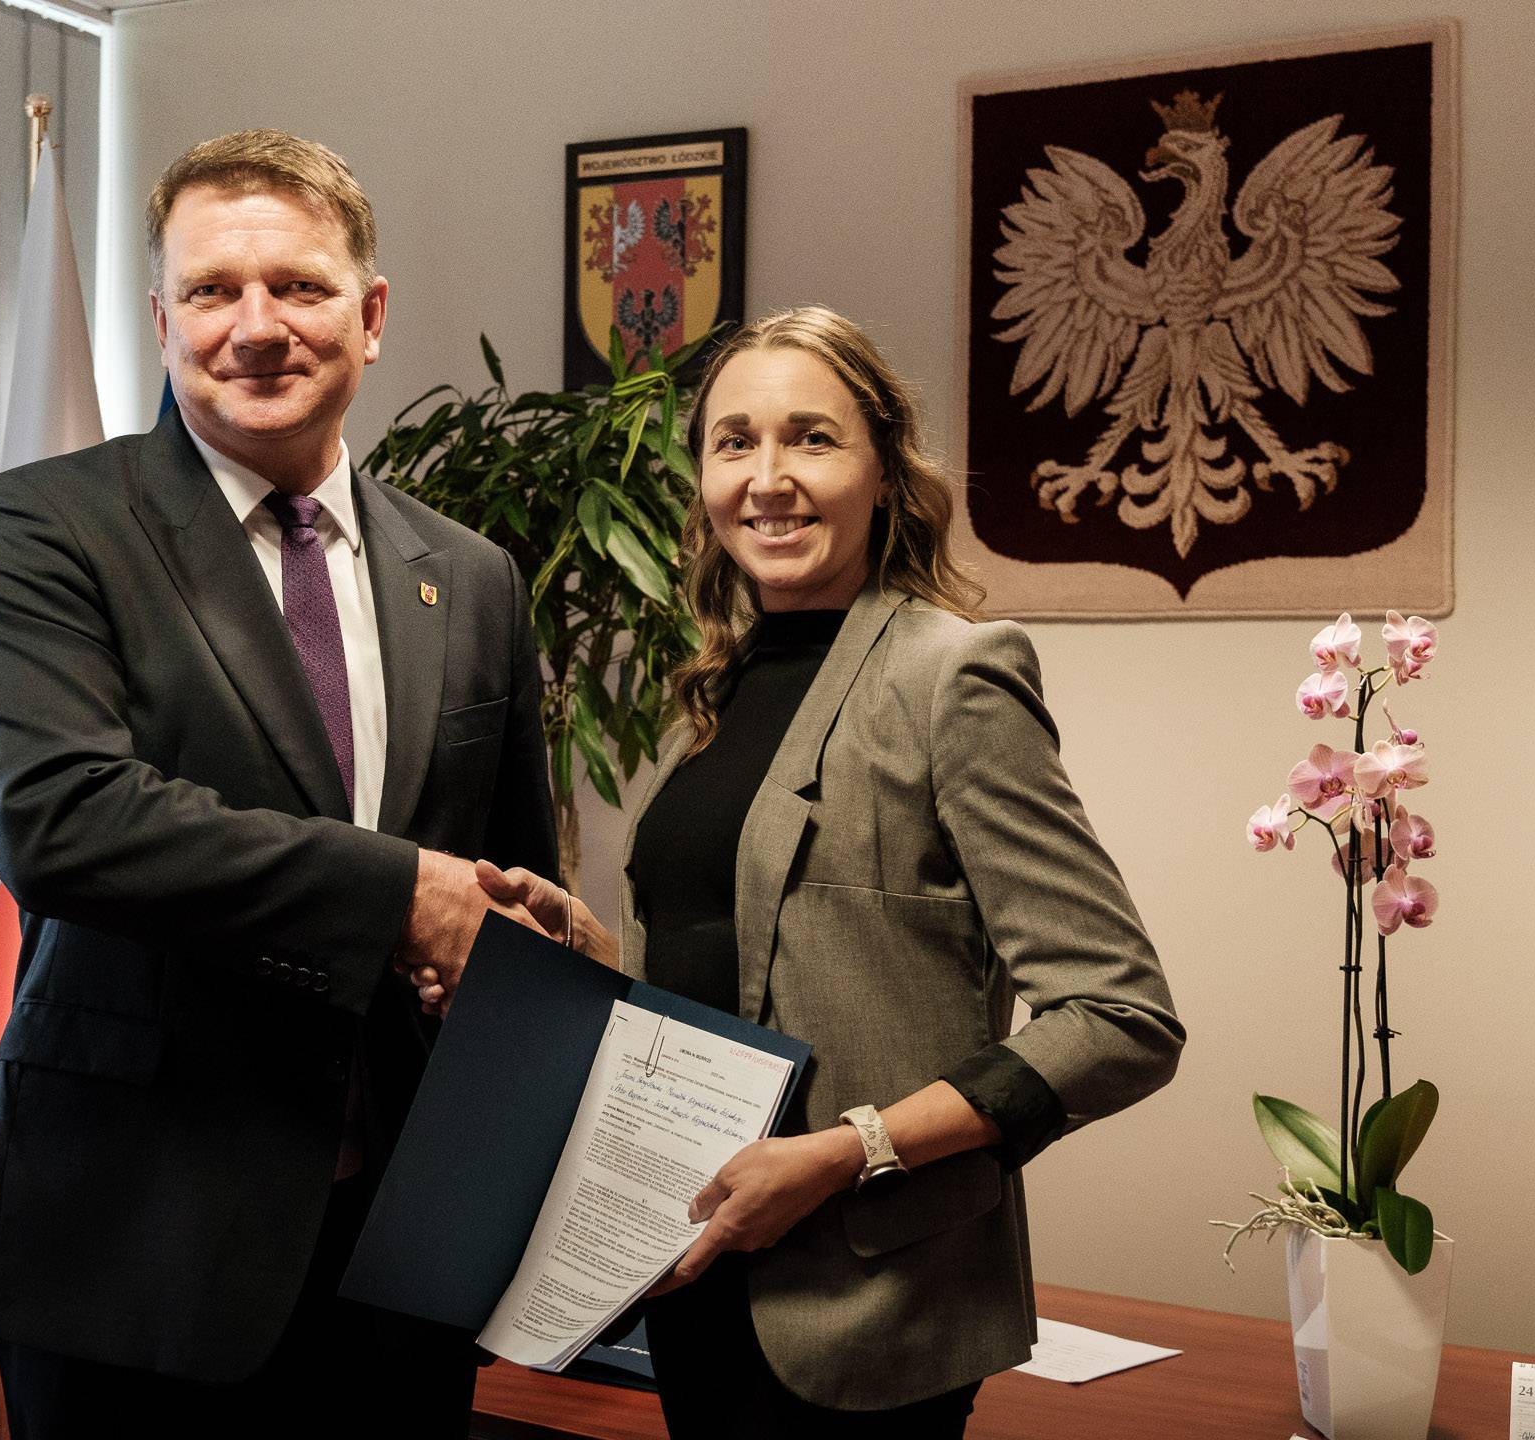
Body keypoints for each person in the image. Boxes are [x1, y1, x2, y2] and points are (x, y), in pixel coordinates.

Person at [0, 129, 557, 1438]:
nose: (257, 327)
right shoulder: (45, 526)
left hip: (404, 1259)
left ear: (370, 317)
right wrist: (402, 897)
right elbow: (59, 820)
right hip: (137, 1250)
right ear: (163, 323)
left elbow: (502, 881)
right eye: (213, 290)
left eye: (300, 286)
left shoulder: (473, 577)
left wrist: (541, 949)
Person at [470, 306, 1184, 1437]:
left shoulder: (954, 676)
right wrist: (586, 949)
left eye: (811, 437)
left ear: (885, 473)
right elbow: (734, 960)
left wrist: (850, 1152)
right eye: (734, 443)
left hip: (867, 1311)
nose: (769, 479)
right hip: (695, 1272)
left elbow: (1120, 1016)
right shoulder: (710, 692)